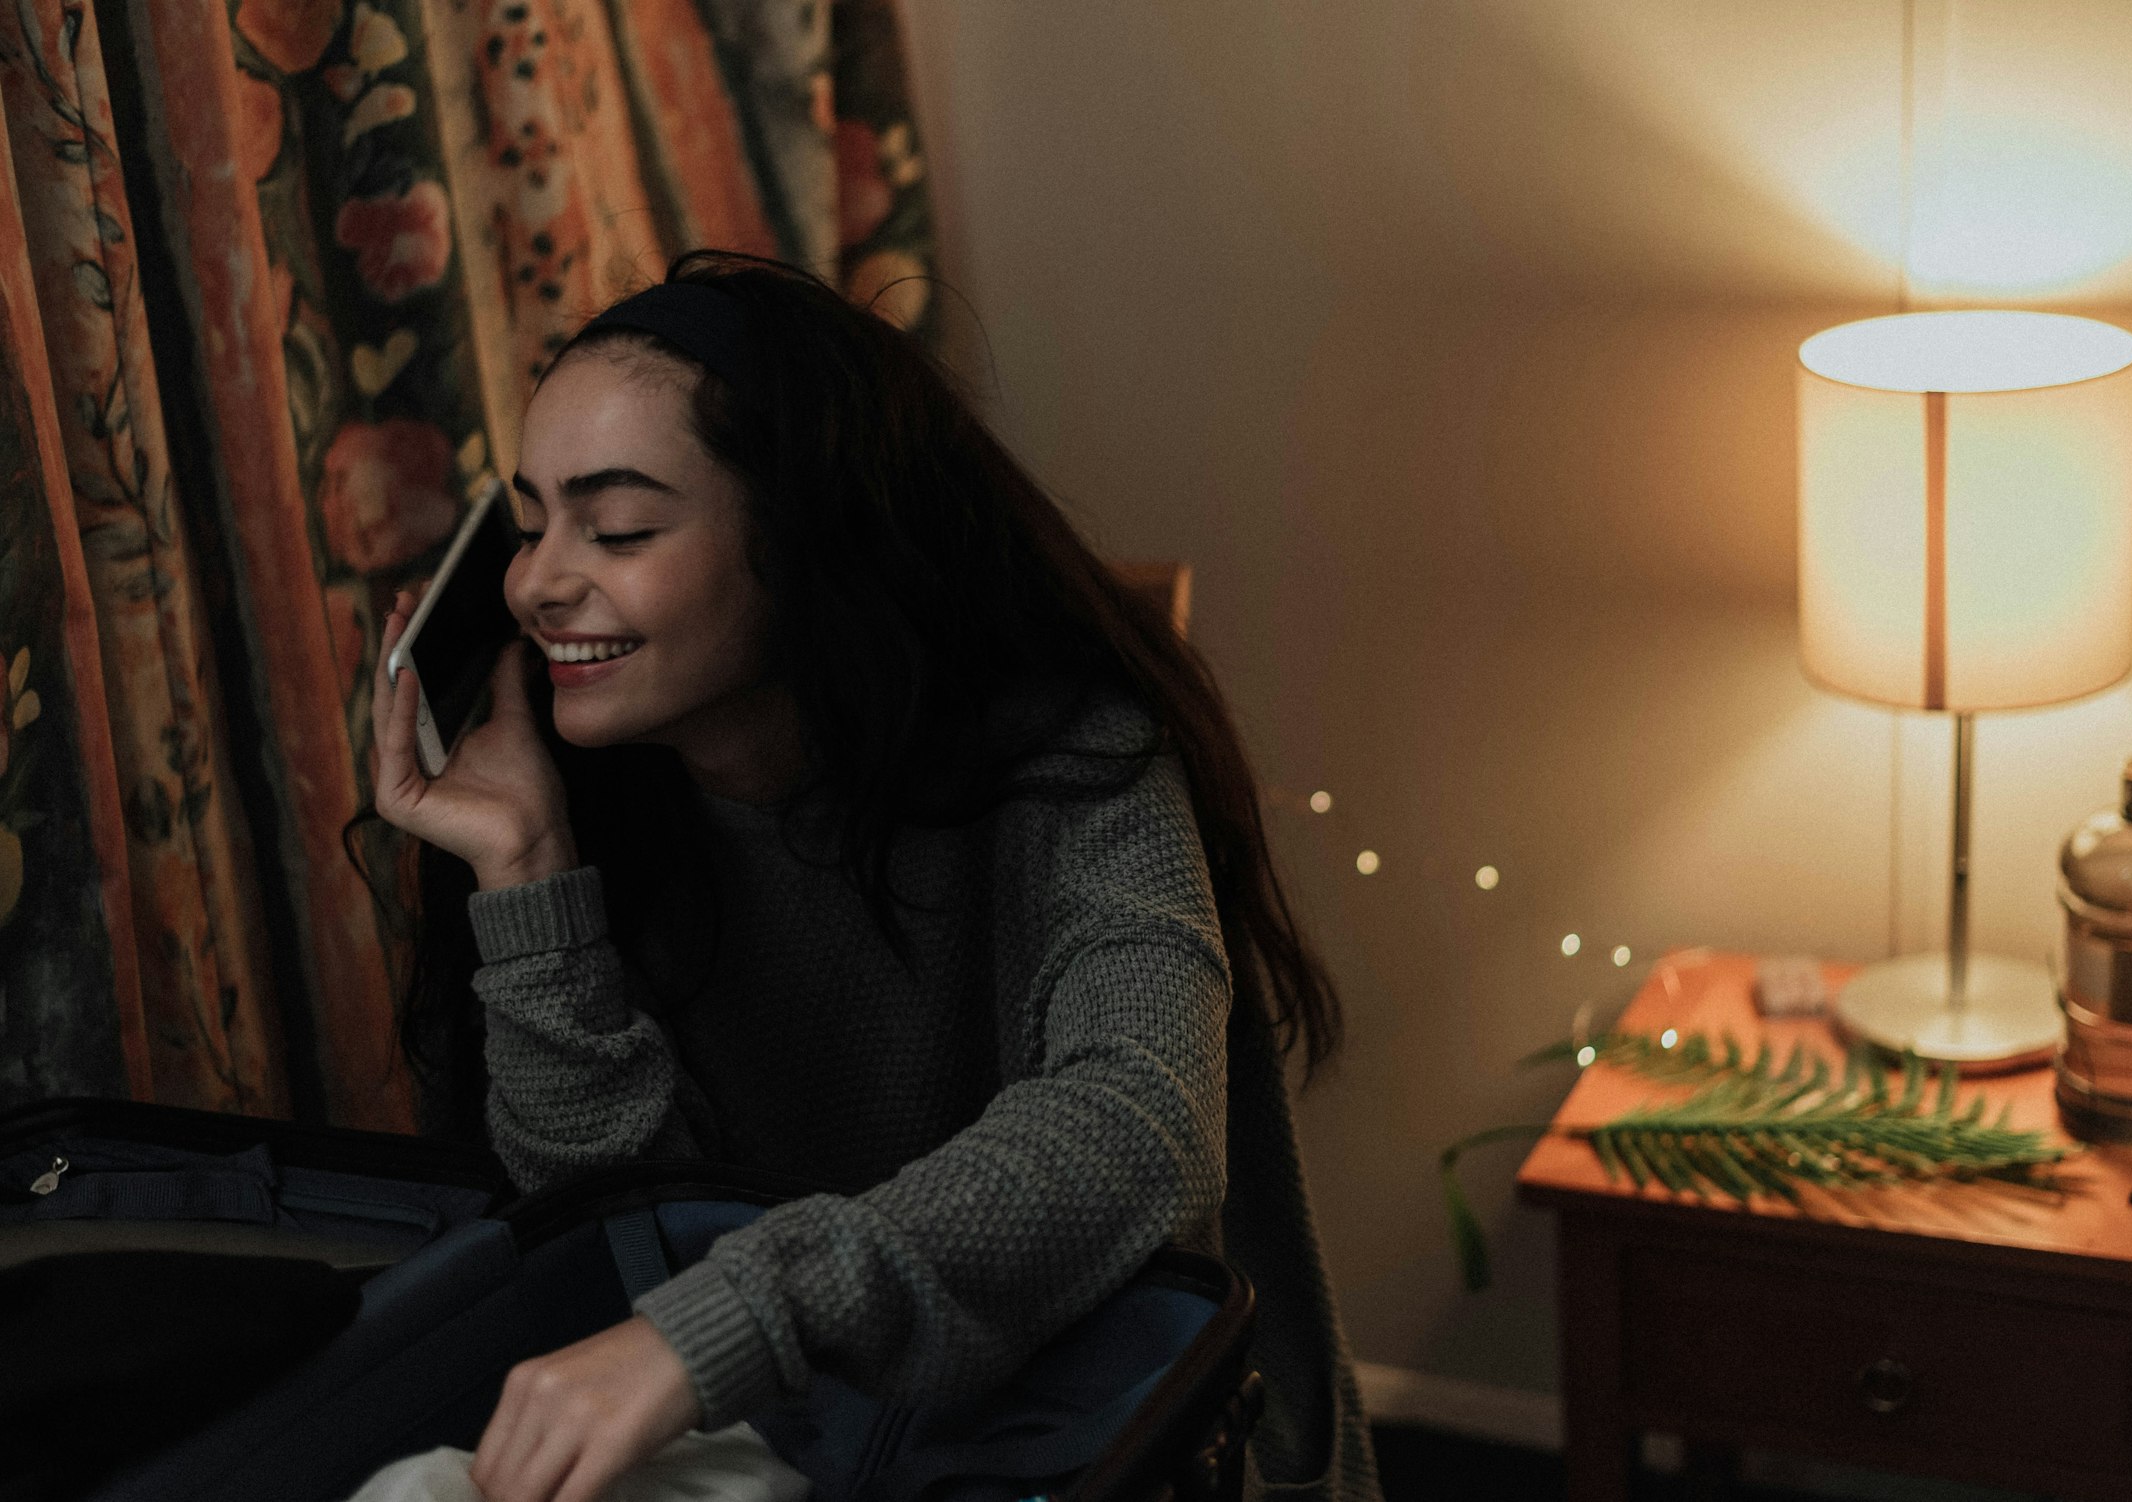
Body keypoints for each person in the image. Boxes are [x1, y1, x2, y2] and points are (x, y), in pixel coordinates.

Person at [370, 253, 1382, 1502]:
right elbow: (629, 1241)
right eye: (529, 524)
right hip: (805, 1442)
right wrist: (528, 877)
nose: (535, 581)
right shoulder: (588, 798)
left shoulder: (1078, 757)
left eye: (617, 527)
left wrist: (732, 1320)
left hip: (1126, 1439)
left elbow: (1141, 1127)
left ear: (804, 542)